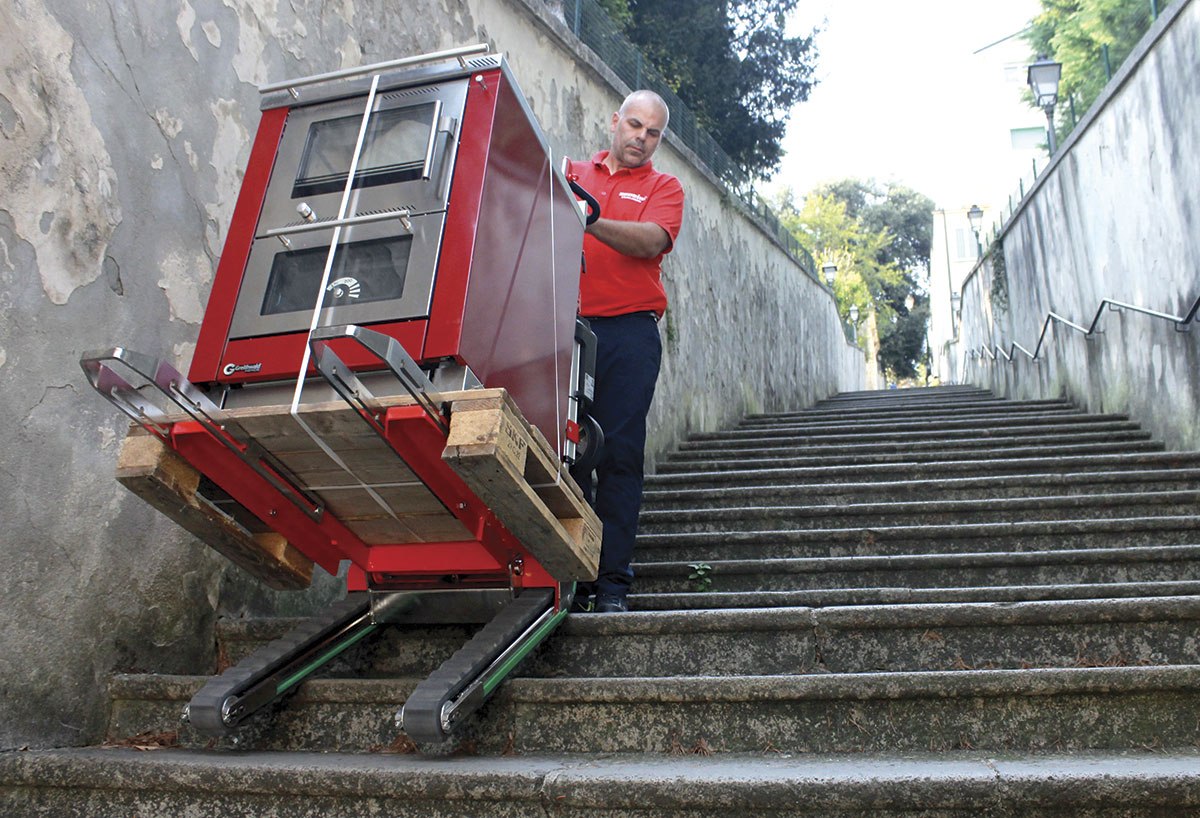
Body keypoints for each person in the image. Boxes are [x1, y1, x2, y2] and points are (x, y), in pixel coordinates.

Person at [569, 90, 685, 613]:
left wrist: (586, 219)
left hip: (629, 335)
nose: (641, 137)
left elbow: (649, 242)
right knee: (564, 454)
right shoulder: (570, 173)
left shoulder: (665, 187)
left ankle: (612, 585)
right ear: (615, 121)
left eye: (653, 132)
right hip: (565, 331)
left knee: (617, 457)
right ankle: (571, 579)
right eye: (634, 125)